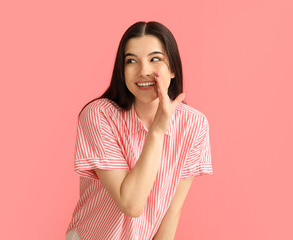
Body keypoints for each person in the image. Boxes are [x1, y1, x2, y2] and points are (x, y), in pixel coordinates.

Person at [65, 21, 213, 240]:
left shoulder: (193, 125)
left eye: (155, 59)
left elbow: (171, 211)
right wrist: (156, 132)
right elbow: (131, 204)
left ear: (172, 69)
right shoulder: (99, 115)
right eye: (131, 61)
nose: (143, 71)